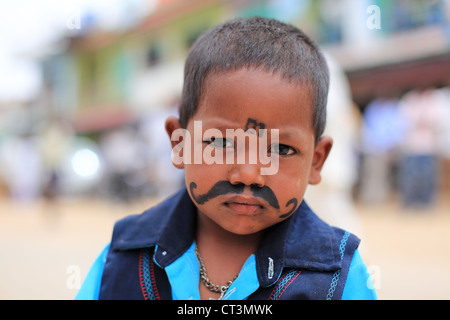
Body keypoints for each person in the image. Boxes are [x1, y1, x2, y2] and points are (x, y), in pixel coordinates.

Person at [75, 17, 376, 300]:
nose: (248, 174)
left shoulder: (337, 277)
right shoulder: (124, 256)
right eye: (220, 142)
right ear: (179, 145)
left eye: (281, 150)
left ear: (316, 160)